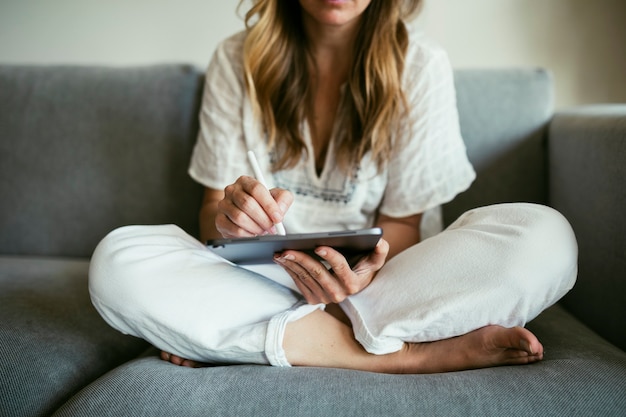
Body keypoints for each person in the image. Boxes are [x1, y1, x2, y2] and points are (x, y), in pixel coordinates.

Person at [89, 0, 578, 374]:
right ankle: (402, 356)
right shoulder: (236, 59)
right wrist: (229, 218)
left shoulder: (419, 64)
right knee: (118, 259)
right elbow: (212, 212)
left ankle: (256, 337)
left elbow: (404, 224)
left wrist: (361, 276)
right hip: (262, 280)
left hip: (385, 282)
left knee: (547, 235)